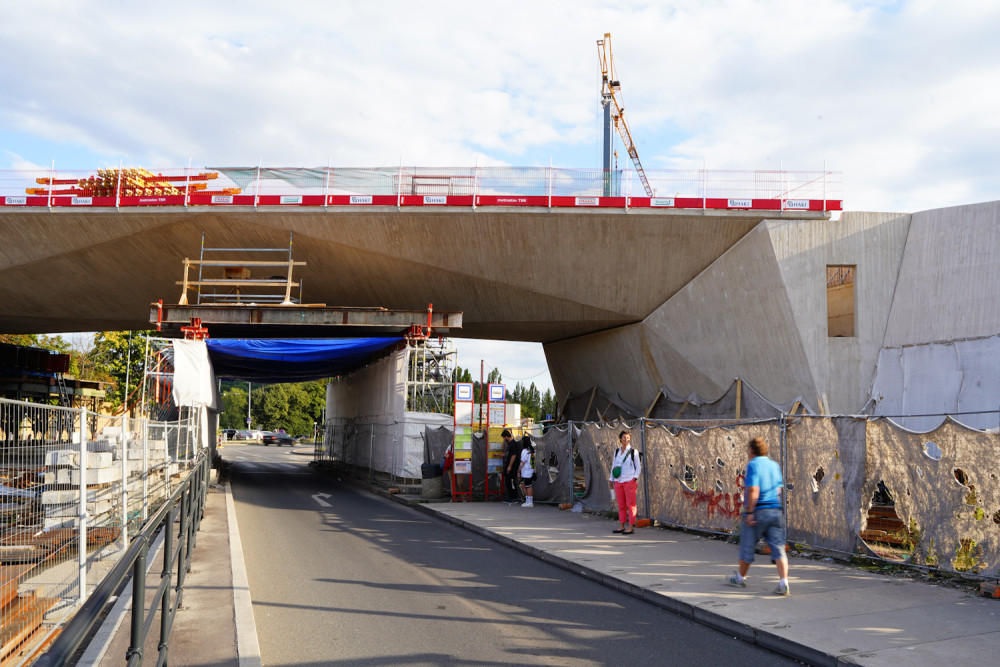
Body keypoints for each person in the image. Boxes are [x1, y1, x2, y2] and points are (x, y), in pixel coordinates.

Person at [727, 437, 790, 595]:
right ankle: (784, 582)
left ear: (752, 450)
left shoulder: (753, 465)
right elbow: (779, 490)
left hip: (758, 511)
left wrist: (749, 512)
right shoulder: (774, 466)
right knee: (778, 548)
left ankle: (740, 578)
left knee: (747, 546)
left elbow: (753, 490)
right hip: (775, 510)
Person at [608, 430, 641, 534]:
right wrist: (611, 479)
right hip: (618, 480)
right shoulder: (617, 451)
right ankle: (621, 525)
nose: (625, 439)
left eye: (627, 438)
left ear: (630, 439)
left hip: (629, 480)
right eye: (624, 437)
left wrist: (634, 479)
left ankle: (631, 526)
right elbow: (614, 466)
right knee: (621, 505)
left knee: (631, 504)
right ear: (620, 438)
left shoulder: (633, 451)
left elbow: (638, 467)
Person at [502, 430, 521, 503]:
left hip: (512, 467)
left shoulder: (513, 444)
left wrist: (510, 466)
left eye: (504, 438)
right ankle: (512, 497)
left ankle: (513, 498)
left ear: (506, 436)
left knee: (511, 481)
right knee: (509, 481)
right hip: (510, 466)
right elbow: (508, 454)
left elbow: (513, 455)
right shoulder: (510, 444)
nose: (504, 440)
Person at [518, 435, 535, 507]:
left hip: (526, 471)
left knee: (528, 485)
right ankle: (528, 500)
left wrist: (518, 471)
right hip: (531, 469)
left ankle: (530, 501)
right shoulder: (532, 450)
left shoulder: (525, 451)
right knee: (524, 484)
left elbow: (522, 462)